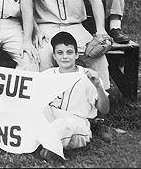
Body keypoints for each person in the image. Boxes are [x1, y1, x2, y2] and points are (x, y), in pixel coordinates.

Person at [39, 31, 109, 163]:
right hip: (53, 116)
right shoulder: (48, 75)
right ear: (54, 56)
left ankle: (49, 147)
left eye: (69, 52)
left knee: (62, 126)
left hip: (76, 123)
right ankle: (47, 144)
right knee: (35, 112)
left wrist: (98, 86)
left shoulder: (88, 76)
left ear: (76, 54)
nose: (65, 57)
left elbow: (104, 109)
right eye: (60, 53)